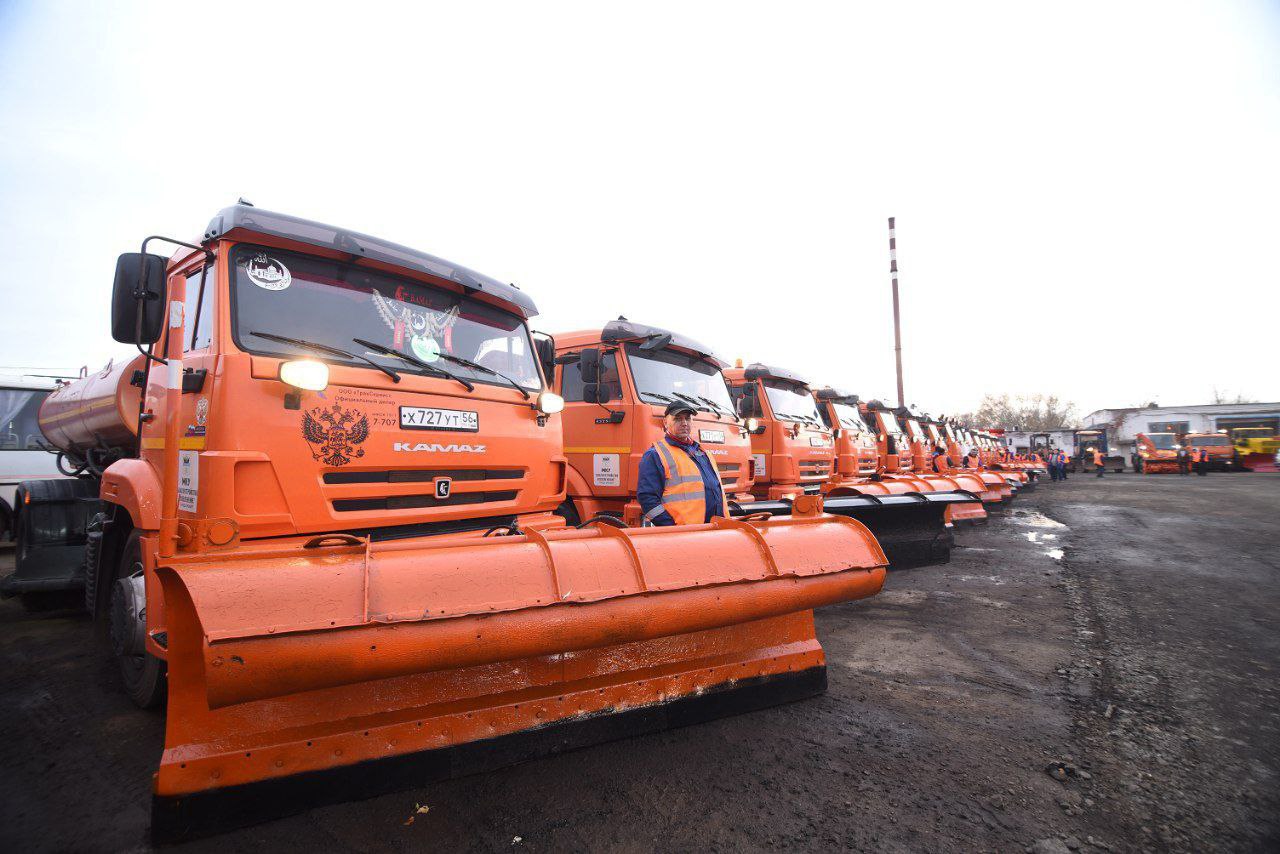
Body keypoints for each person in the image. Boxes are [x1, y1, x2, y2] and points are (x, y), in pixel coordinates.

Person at [637, 401, 727, 526]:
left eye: (688, 418)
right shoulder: (655, 455)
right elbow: (647, 499)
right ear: (665, 422)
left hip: (715, 529)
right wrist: (671, 527)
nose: (684, 423)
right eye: (678, 419)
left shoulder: (702, 452)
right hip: (685, 534)